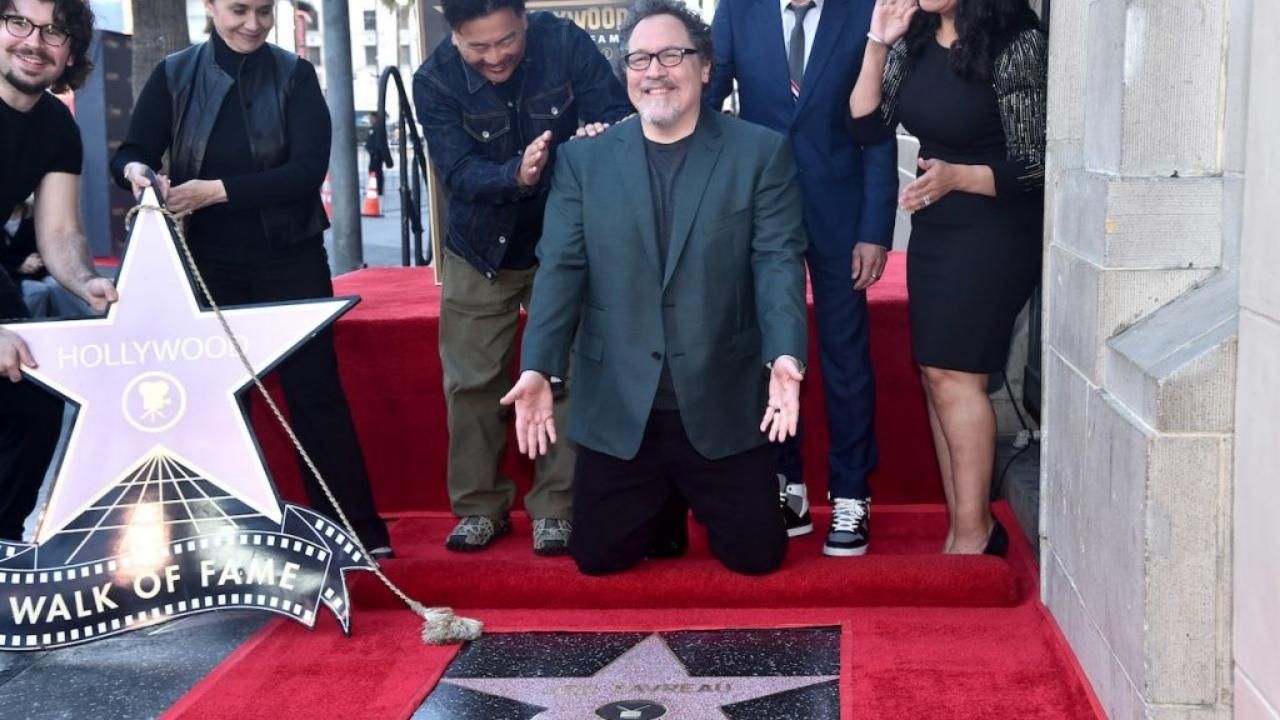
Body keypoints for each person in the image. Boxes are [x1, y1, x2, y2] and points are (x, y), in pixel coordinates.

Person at [501, 0, 810, 576]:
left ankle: (682, 499)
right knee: (598, 560)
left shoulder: (759, 153)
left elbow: (777, 262)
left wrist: (785, 355)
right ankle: (664, 506)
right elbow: (560, 269)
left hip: (720, 397)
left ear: (705, 66)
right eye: (639, 59)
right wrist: (539, 366)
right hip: (622, 405)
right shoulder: (583, 162)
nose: (655, 71)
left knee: (757, 559)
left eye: (672, 55)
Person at [110, 0, 394, 559]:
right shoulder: (174, 73)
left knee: (315, 393)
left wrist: (216, 191)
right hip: (206, 262)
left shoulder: (295, 74)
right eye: (239, 9)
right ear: (210, 6)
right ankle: (217, 541)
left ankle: (356, 530)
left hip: (290, 257)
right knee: (215, 400)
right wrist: (137, 173)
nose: (253, 24)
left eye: (264, 11)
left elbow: (306, 172)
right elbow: (133, 152)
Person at [412, 0, 632, 555]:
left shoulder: (565, 44)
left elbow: (616, 112)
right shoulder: (434, 80)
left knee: (565, 373)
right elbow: (458, 173)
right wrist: (517, 173)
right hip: (480, 247)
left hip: (565, 241)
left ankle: (557, 506)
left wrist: (599, 134)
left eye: (506, 40)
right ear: (453, 36)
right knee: (472, 383)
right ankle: (479, 507)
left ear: (525, 21)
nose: (495, 57)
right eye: (478, 47)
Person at [848, 0, 1047, 555]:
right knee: (937, 374)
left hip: (995, 227)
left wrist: (957, 177)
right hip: (937, 224)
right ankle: (965, 526)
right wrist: (878, 41)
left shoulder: (1016, 43)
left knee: (958, 376)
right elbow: (865, 124)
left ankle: (974, 533)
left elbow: (1034, 162)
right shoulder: (914, 40)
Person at [706, 0, 899, 556]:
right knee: (768, 350)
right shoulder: (738, 11)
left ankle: (851, 492)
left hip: (839, 212)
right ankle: (784, 484)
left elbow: (878, 127)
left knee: (845, 355)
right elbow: (707, 97)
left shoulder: (862, 12)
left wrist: (875, 228)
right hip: (758, 210)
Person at [0, 0, 117, 540]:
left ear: (71, 52)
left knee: (36, 402)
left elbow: (61, 232)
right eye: (18, 23)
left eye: (54, 32)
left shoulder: (55, 126)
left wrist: (86, 282)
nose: (33, 42)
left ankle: (4, 551)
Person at [2, 201, 95, 318]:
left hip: (38, 271)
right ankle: (31, 325)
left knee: (58, 286)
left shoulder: (35, 217)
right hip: (10, 276)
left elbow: (49, 247)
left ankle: (85, 321)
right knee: (38, 291)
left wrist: (37, 261)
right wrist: (19, 264)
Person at [364, 111, 392, 196]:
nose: (369, 120)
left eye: (370, 118)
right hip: (374, 154)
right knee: (375, 171)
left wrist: (375, 151)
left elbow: (378, 142)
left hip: (376, 154)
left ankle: (377, 189)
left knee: (375, 172)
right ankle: (376, 188)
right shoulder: (374, 127)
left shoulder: (376, 128)